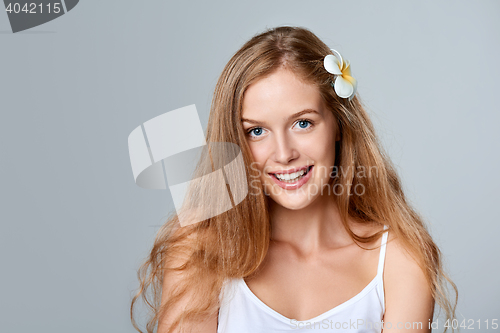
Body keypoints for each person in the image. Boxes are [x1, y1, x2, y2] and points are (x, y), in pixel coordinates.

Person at [130, 26, 457, 333]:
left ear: (339, 124)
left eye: (302, 123)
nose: (283, 153)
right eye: (256, 132)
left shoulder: (399, 261)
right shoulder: (199, 250)